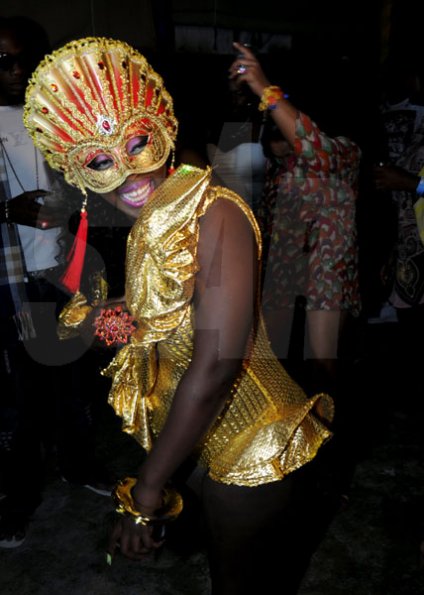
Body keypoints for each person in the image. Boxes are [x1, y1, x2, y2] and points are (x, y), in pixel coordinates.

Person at [24, 36, 335, 594]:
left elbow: (216, 365)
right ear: (78, 171)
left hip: (253, 444)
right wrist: (115, 322)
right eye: (99, 162)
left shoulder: (217, 212)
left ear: (162, 127)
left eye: (136, 143)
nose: (125, 175)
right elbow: (172, 312)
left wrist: (146, 493)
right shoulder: (151, 222)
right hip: (198, 442)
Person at [0, 16, 112, 549]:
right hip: (11, 281)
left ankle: (78, 465)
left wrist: (74, 200)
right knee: (26, 399)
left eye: (22, 58)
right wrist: (5, 209)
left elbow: (89, 181)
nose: (16, 71)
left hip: (63, 272)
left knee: (73, 384)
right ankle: (18, 501)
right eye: (4, 61)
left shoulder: (53, 116)